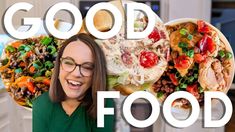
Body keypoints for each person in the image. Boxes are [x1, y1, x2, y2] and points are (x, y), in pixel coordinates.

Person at [33, 33, 115, 132]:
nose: (76, 74)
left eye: (87, 67)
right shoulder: (41, 104)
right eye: (68, 62)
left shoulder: (104, 103)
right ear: (59, 66)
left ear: (96, 74)